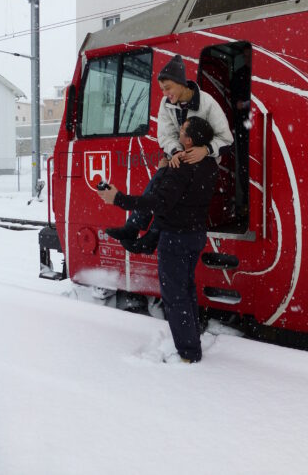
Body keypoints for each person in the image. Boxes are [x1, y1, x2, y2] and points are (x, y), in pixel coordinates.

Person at [98, 117, 219, 363]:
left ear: (189, 140)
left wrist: (118, 198)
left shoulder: (182, 167)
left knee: (175, 296)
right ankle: (192, 341)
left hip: (176, 238)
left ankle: (188, 353)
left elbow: (159, 203)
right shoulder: (210, 166)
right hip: (195, 235)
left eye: (182, 131)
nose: (178, 133)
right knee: (186, 290)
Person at [105, 54, 233, 247]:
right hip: (179, 159)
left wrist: (205, 150)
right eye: (162, 89)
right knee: (160, 185)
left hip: (202, 164)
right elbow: (165, 135)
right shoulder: (166, 105)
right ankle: (137, 228)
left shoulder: (207, 103)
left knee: (168, 197)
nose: (165, 93)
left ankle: (147, 234)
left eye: (168, 88)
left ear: (181, 84)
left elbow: (227, 139)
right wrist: (174, 152)